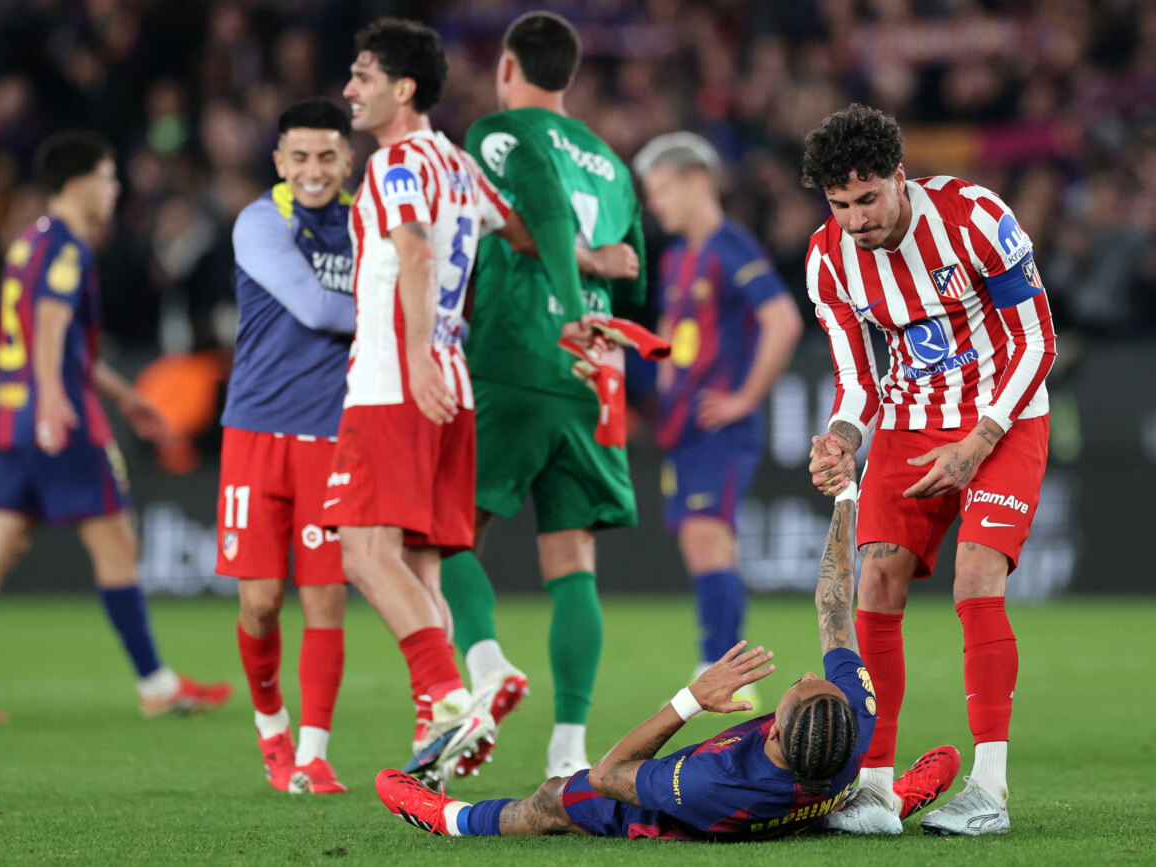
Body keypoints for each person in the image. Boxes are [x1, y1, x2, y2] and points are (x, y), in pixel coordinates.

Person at [375, 481, 959, 840]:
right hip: (816, 793)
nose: (810, 676)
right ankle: (889, 799)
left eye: (802, 687)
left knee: (560, 795)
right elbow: (835, 603)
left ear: (777, 728)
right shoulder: (849, 721)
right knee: (842, 800)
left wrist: (691, 700)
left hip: (693, 817)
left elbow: (608, 774)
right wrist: (846, 498)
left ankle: (449, 818)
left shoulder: (715, 784)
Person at [801, 104, 1056, 835]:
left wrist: (979, 441)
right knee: (876, 573)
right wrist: (843, 436)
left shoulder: (976, 217)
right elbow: (858, 381)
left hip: (1005, 413)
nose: (855, 219)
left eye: (867, 198)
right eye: (840, 204)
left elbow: (1038, 340)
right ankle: (876, 790)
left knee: (977, 572)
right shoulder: (827, 260)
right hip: (912, 422)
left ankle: (988, 789)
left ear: (899, 177)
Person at [0, 132, 232, 722]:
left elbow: (63, 344)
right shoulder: (68, 248)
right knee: (118, 545)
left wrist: (125, 395)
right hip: (60, 422)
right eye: (109, 177)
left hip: (15, 421)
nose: (114, 189)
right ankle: (156, 684)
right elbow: (48, 324)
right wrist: (52, 405)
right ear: (79, 184)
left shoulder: (28, 243)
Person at [441, 10, 649, 780]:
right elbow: (638, 272)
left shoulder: (498, 136)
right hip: (593, 377)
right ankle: (569, 751)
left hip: (518, 352)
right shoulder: (612, 164)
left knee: (445, 535)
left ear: (506, 68)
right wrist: (599, 330)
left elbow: (547, 218)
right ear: (572, 74)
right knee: (573, 557)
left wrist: (567, 307)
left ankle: (487, 668)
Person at [327, 18, 531, 785]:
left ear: (402, 88)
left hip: (395, 380)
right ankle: (437, 731)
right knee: (420, 565)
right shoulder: (456, 162)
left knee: (364, 553)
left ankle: (449, 695)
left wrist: (412, 359)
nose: (350, 88)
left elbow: (412, 250)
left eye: (363, 74)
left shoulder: (398, 164)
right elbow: (519, 232)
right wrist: (590, 261)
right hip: (454, 387)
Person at [634, 131, 804, 704]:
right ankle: (720, 666)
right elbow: (670, 342)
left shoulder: (731, 246)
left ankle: (726, 671)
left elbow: (783, 320)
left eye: (660, 190)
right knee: (698, 543)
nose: (655, 204)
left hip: (718, 424)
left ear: (696, 180)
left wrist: (744, 398)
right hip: (682, 426)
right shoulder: (680, 257)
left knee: (710, 540)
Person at [218, 99, 358, 795]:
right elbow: (315, 307)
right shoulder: (259, 221)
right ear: (279, 161)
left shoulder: (367, 221)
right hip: (255, 428)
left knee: (326, 595)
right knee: (263, 600)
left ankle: (314, 751)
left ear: (347, 159)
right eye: (299, 157)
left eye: (326, 156)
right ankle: (270, 721)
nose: (313, 170)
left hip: (333, 434)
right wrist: (400, 312)